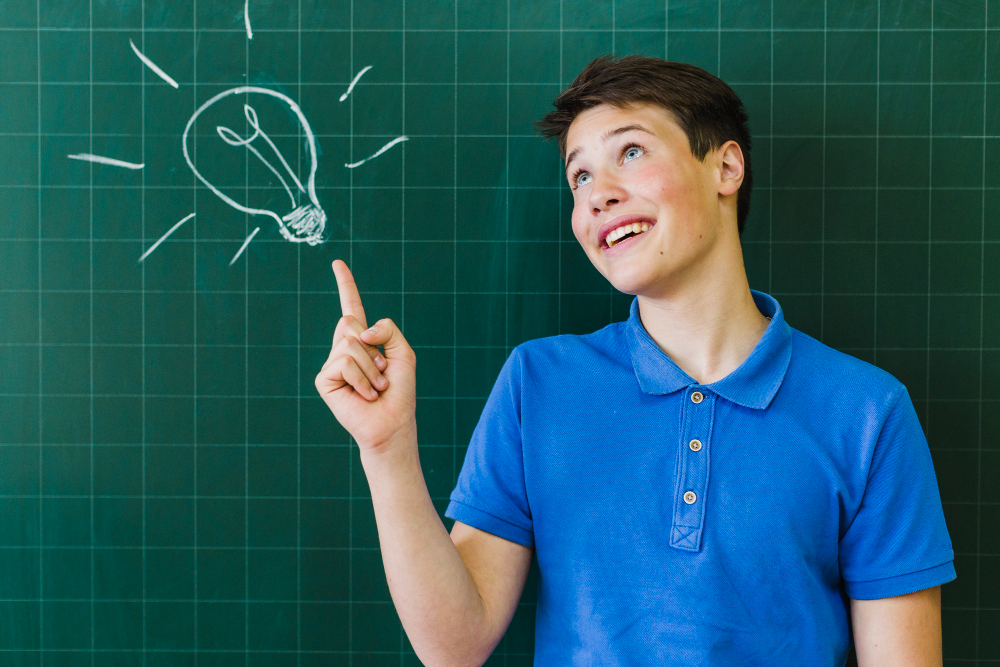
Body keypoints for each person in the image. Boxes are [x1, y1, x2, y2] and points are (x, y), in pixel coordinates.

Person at [315, 55, 955, 666]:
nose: (598, 195)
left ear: (725, 168)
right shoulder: (539, 382)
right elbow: (453, 648)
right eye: (580, 176)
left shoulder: (867, 410)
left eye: (631, 151)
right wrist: (388, 447)